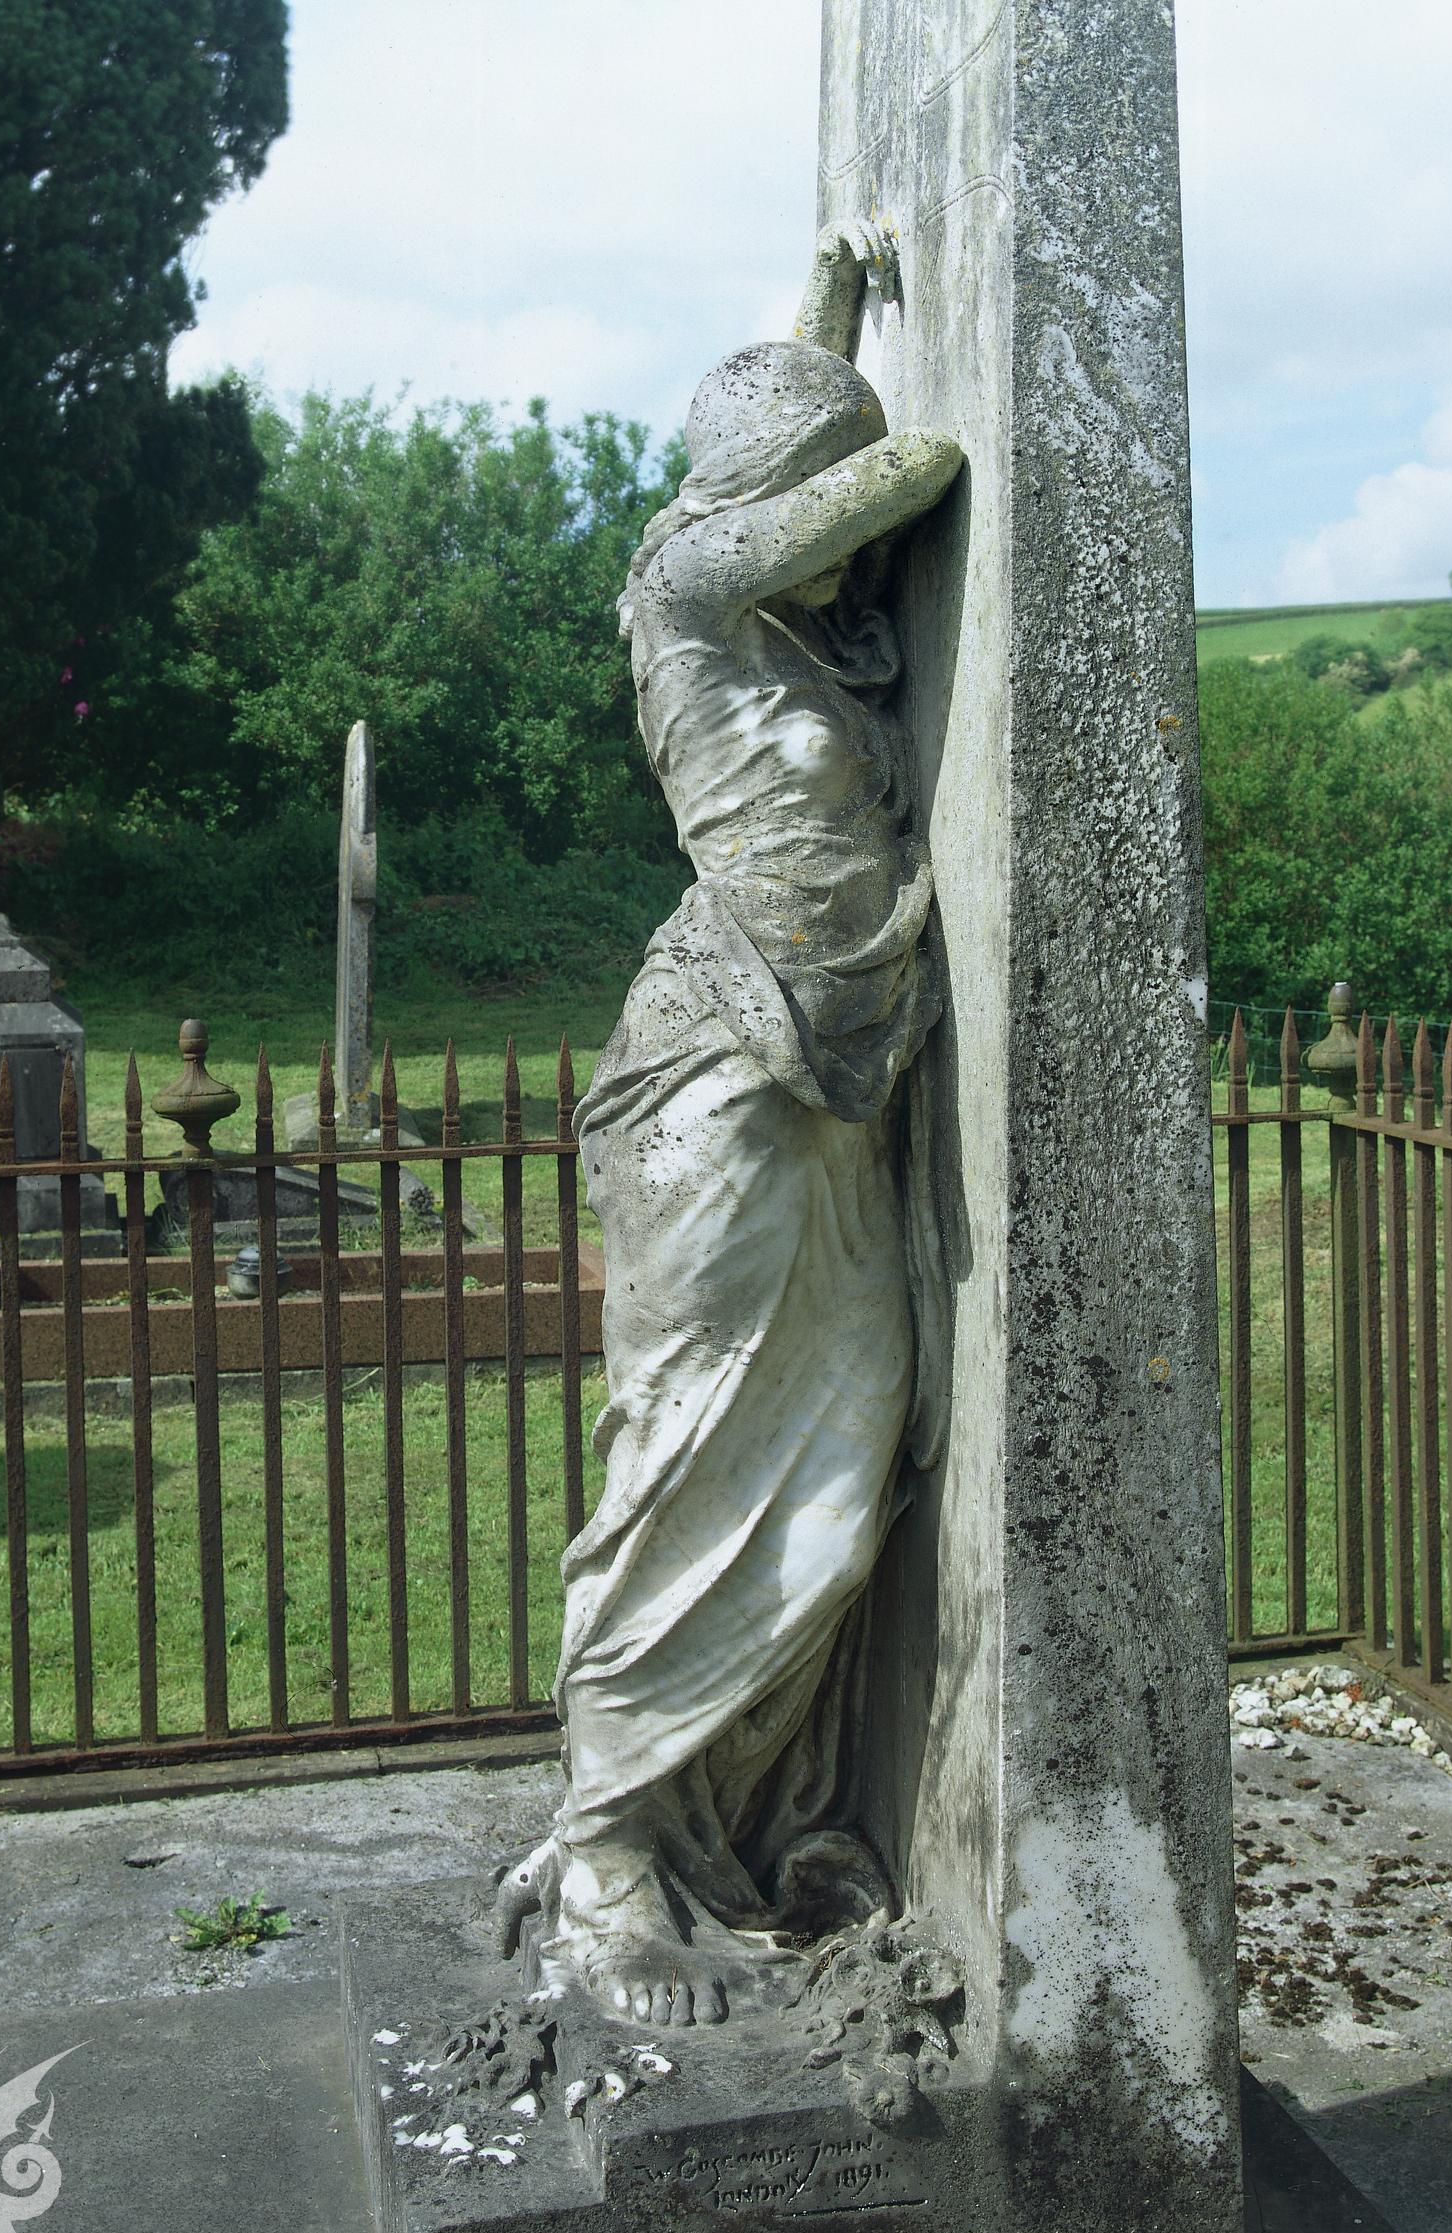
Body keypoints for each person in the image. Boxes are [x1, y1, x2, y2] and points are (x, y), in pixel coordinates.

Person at [497, 222, 962, 2026]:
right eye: (802, 472)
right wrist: (926, 374)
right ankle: (613, 1838)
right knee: (685, 1451)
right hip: (717, 1080)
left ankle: (767, 1815)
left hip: (840, 1077)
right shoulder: (689, 580)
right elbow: (913, 465)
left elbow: (823, 464)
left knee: (847, 1473)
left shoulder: (802, 631)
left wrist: (836, 298)